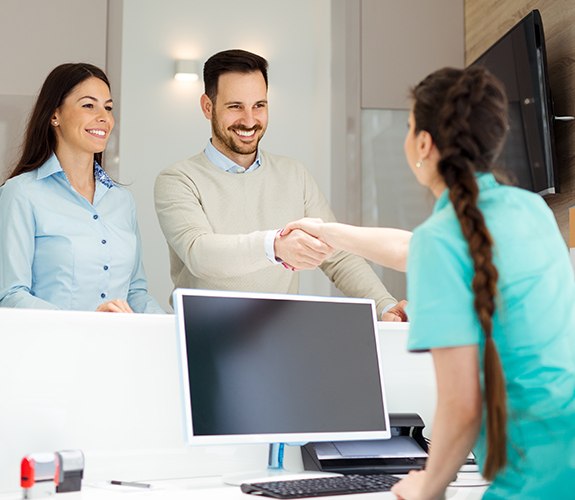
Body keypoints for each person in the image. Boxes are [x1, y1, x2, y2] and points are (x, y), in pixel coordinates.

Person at [284, 66, 575, 499]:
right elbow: (415, 247)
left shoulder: (443, 241)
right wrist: (329, 232)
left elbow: (461, 405)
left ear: (423, 143)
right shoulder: (530, 210)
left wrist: (429, 485)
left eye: (407, 127)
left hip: (532, 478)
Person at [154, 49, 407, 320]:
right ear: (207, 107)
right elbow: (199, 254)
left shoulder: (294, 175)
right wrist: (274, 246)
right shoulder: (178, 180)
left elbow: (338, 255)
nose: (249, 120)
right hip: (202, 336)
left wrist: (384, 305)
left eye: (259, 105)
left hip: (278, 335)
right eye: (235, 106)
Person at [0, 63, 163, 314]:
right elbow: (10, 295)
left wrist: (168, 327)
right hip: (51, 349)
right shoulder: (21, 193)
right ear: (55, 115)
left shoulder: (122, 201)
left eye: (108, 107)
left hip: (118, 349)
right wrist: (85, 324)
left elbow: (135, 293)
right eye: (89, 105)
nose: (104, 117)